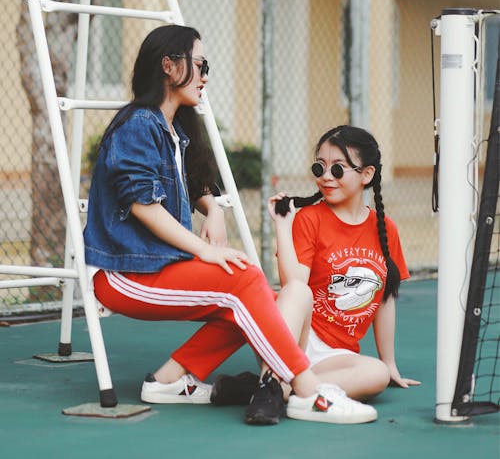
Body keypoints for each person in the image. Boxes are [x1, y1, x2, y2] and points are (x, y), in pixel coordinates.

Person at [83, 26, 376, 426]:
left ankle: (167, 381)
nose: (205, 76)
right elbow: (142, 204)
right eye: (200, 65)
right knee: (243, 281)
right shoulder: (139, 123)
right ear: (169, 66)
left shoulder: (172, 129)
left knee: (253, 304)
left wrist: (213, 208)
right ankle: (308, 393)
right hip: (124, 274)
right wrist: (204, 249)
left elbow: (189, 180)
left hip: (154, 267)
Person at [266, 125, 420, 413]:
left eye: (338, 169)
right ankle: (279, 379)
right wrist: (282, 227)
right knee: (297, 293)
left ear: (366, 175)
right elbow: (294, 284)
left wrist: (389, 363)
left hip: (335, 356)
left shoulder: (386, 230)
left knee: (377, 375)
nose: (326, 176)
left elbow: (384, 300)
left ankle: (277, 388)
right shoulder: (310, 219)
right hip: (296, 339)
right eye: (319, 167)